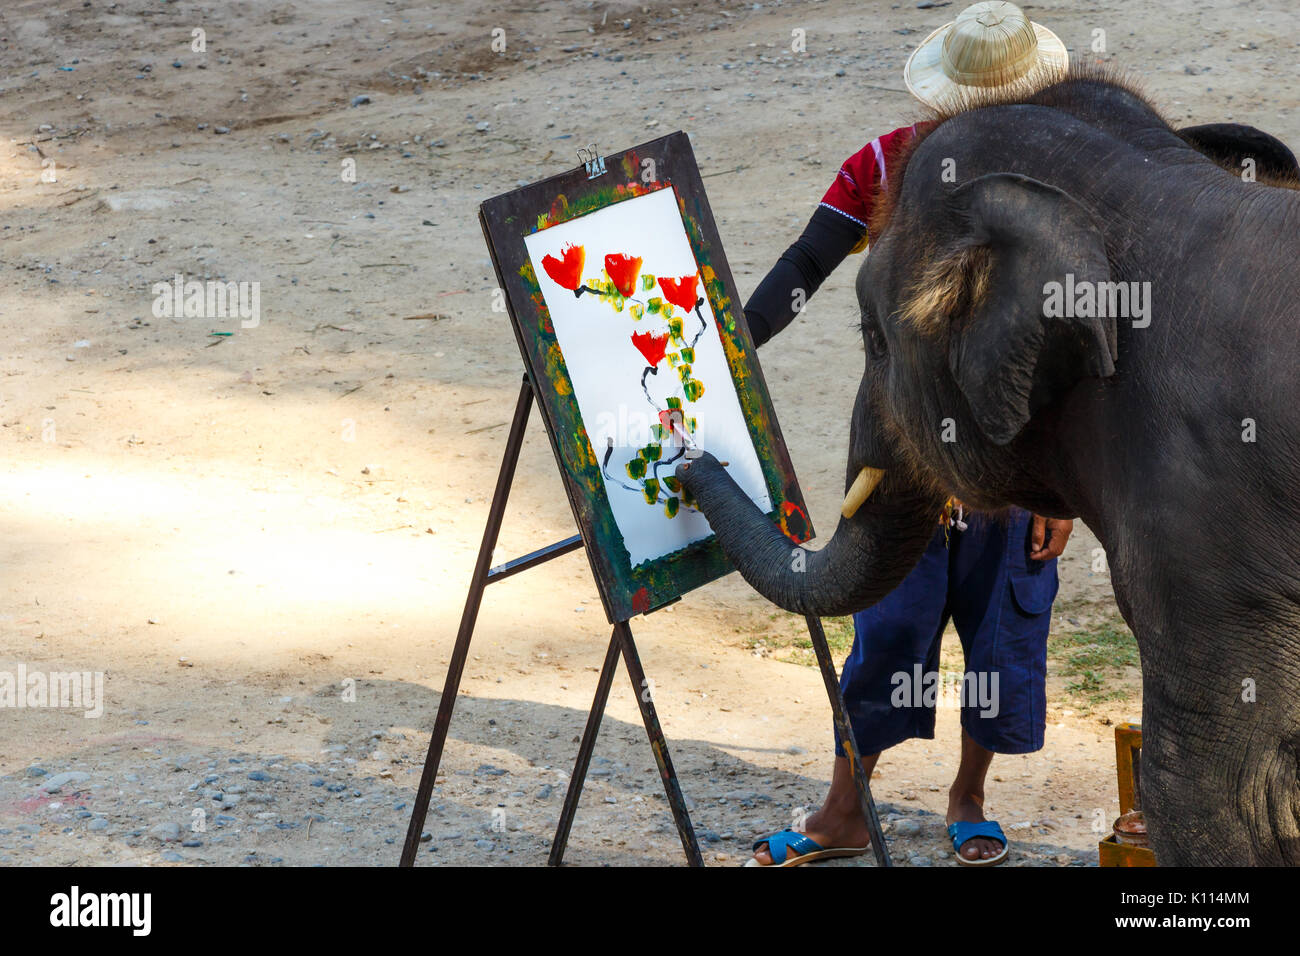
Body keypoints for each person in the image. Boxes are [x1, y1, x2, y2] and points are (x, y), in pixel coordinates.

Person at [744, 1, 1074, 867]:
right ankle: (843, 812)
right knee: (888, 630)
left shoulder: (1071, 175)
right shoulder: (885, 163)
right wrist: (730, 348)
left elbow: (1082, 343)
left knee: (1001, 638)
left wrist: (1063, 491)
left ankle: (969, 796)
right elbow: (805, 269)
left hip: (1013, 452)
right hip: (902, 444)